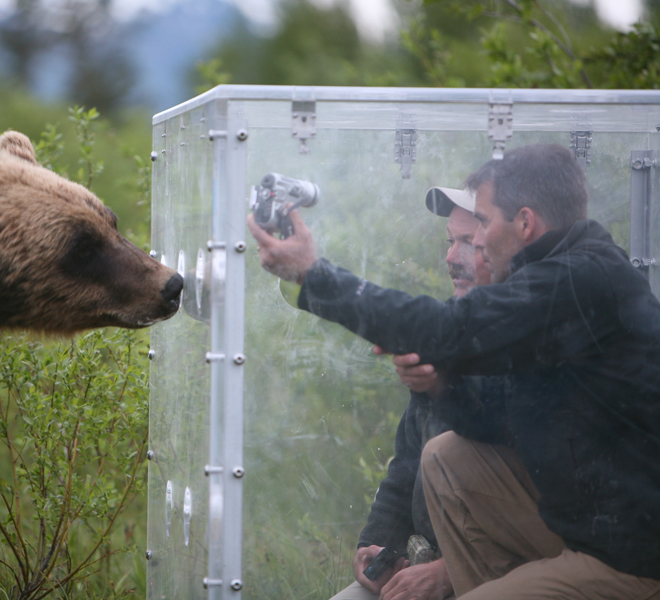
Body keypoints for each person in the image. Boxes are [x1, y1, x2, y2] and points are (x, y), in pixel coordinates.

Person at [247, 144, 660, 599]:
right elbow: (494, 425)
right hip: (587, 526)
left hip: (631, 555)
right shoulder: (555, 280)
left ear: (525, 223)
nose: (476, 242)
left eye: (481, 224)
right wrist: (443, 386)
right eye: (457, 237)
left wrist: (313, 273)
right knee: (446, 456)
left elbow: (448, 329)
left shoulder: (577, 281)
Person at [330, 187, 490, 600]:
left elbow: (540, 518)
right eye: (450, 241)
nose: (452, 257)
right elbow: (406, 467)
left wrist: (448, 574)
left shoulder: (536, 347)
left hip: (492, 571)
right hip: (422, 562)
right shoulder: (447, 334)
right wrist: (377, 547)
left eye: (469, 243)